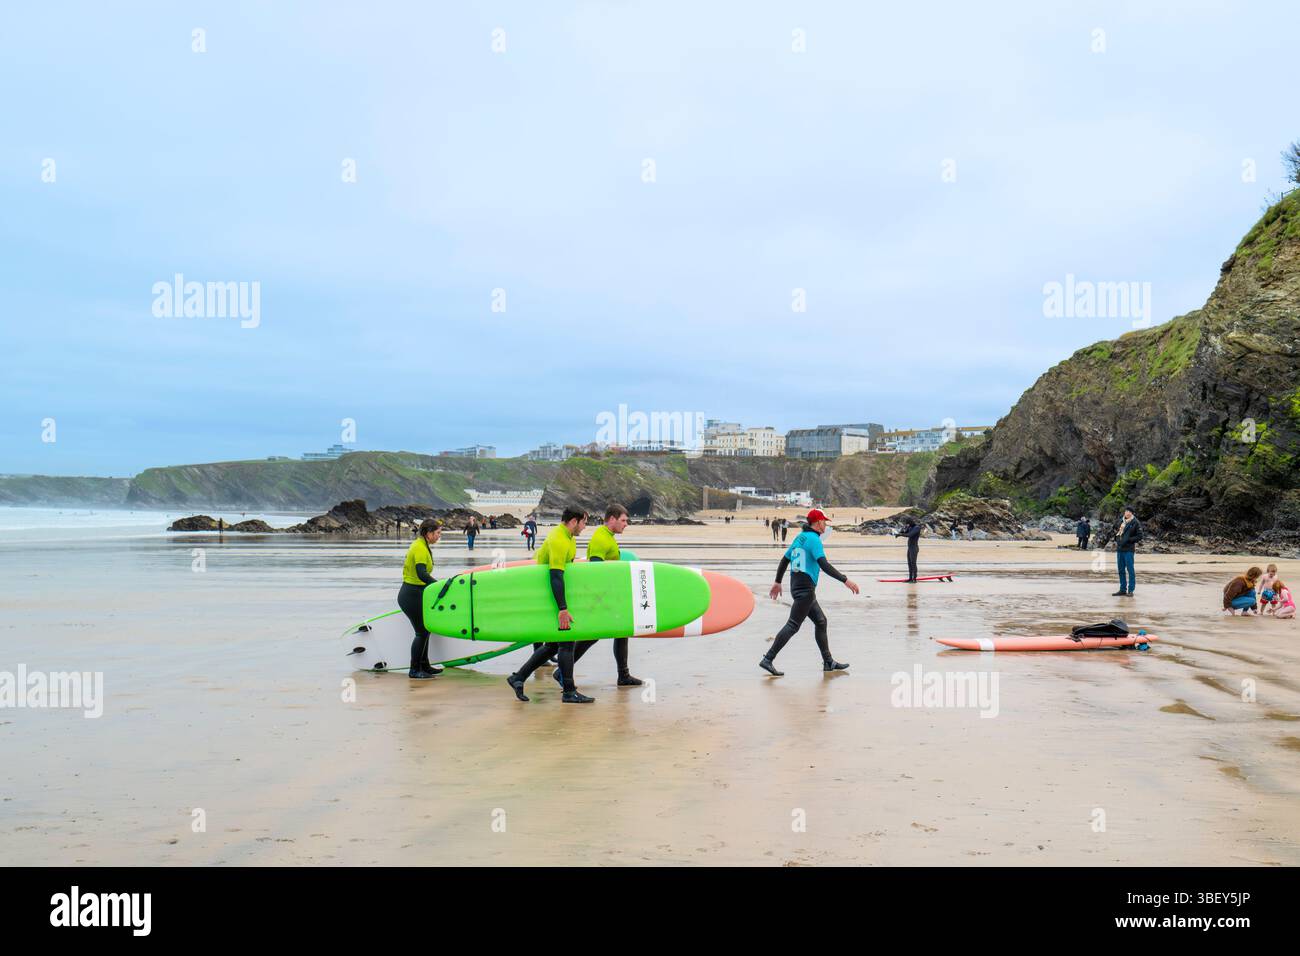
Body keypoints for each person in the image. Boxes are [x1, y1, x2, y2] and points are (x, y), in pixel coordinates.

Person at [506, 507, 594, 703]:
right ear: (573, 521)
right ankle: (569, 691)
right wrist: (562, 609)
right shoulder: (559, 539)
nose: (585, 527)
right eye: (584, 522)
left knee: (554, 644)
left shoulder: (568, 538)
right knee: (567, 642)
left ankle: (518, 677)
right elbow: (555, 575)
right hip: (551, 598)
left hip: (555, 596)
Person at [760, 508, 858, 675]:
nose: (826, 524)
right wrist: (845, 580)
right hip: (805, 588)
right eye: (824, 521)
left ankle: (828, 662)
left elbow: (785, 560)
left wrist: (778, 581)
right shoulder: (814, 540)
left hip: (797, 584)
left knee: (821, 621)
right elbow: (824, 565)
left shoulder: (801, 537)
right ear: (818, 522)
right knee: (793, 625)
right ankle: (768, 659)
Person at [554, 503, 642, 688]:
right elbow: (595, 568)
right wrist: (602, 599)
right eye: (623, 520)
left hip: (608, 594)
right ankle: (560, 672)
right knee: (593, 635)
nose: (626, 524)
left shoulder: (607, 536)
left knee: (621, 631)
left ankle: (623, 674)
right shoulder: (601, 538)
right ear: (612, 519)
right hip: (601, 596)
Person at [399, 519, 445, 679]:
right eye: (438, 533)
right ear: (428, 533)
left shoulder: (422, 545)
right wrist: (440, 586)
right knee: (422, 631)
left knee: (426, 630)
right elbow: (421, 574)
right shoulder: (419, 547)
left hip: (417, 593)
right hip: (411, 594)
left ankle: (424, 666)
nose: (439, 536)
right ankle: (414, 670)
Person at [1112, 507, 1142, 596]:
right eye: (1126, 511)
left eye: (1129, 512)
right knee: (1121, 570)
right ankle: (1122, 589)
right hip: (1120, 549)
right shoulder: (1120, 521)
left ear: (1132, 513)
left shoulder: (1135, 522)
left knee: (1130, 570)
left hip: (1129, 549)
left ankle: (1131, 590)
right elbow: (1115, 531)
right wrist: (1116, 539)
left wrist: (1129, 540)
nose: (1127, 513)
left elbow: (1140, 536)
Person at [896, 516, 922, 582]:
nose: (907, 524)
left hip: (914, 548)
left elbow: (910, 535)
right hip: (910, 548)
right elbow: (904, 532)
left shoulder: (917, 528)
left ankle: (914, 579)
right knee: (909, 563)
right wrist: (901, 531)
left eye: (908, 523)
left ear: (910, 522)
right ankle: (910, 578)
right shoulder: (910, 527)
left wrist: (900, 535)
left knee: (913, 563)